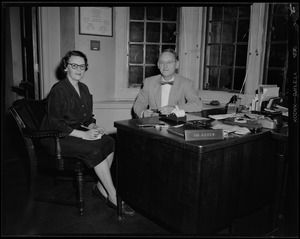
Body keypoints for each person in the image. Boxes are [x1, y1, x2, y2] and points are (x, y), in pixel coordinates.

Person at [40, 50, 135, 216]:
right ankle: (113, 195)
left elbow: (86, 117)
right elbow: (56, 124)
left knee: (109, 141)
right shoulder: (59, 90)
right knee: (93, 149)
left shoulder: (83, 88)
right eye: (74, 65)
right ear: (65, 67)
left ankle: (100, 186)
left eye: (82, 66)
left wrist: (92, 126)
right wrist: (84, 135)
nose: (79, 69)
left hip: (73, 133)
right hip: (56, 137)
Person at [133, 48, 202, 118]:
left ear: (177, 64)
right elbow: (139, 103)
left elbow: (197, 104)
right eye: (162, 62)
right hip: (153, 124)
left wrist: (174, 108)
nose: (165, 66)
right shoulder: (149, 82)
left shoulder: (186, 83)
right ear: (158, 65)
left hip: (176, 125)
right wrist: (143, 112)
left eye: (169, 62)